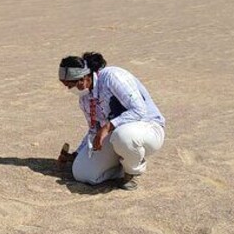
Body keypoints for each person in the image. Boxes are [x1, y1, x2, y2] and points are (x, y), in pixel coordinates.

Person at [57, 52, 165, 191]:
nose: (68, 89)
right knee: (82, 173)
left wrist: (108, 126)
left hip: (148, 129)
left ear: (83, 78)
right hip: (116, 137)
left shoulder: (112, 77)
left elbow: (139, 110)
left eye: (70, 85)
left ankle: (131, 171)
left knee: (123, 135)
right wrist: (76, 154)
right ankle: (122, 165)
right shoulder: (84, 99)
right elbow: (94, 130)